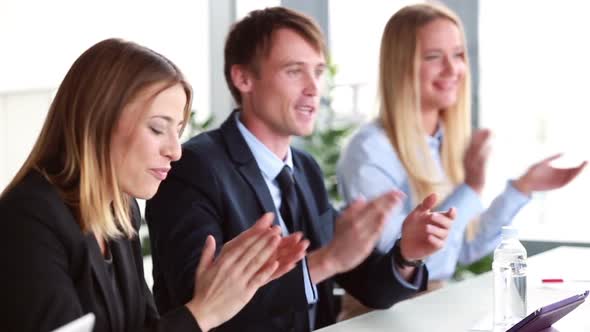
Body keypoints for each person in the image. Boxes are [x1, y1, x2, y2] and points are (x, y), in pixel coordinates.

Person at [146, 7, 456, 332]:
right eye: (295, 71)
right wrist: (327, 261)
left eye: (318, 72)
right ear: (243, 78)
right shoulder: (193, 168)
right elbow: (199, 306)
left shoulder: (305, 168)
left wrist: (407, 254)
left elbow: (369, 286)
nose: (313, 88)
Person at [0, 38, 309, 332]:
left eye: (178, 130)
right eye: (157, 128)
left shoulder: (121, 210)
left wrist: (217, 300)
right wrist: (203, 311)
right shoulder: (27, 220)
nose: (175, 151)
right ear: (98, 122)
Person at [337, 3, 586, 287]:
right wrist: (470, 188)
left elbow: (463, 249)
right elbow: (405, 267)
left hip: (433, 305)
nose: (453, 68)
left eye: (458, 55)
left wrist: (522, 188)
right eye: (433, 56)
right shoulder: (370, 151)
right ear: (400, 66)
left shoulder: (443, 142)